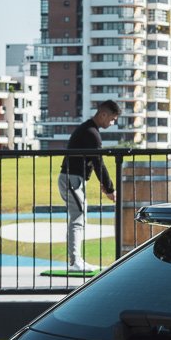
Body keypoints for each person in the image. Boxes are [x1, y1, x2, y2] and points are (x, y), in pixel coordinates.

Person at [58, 101, 119, 273]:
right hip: (71, 180)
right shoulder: (92, 133)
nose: (112, 123)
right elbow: (99, 162)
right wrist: (109, 189)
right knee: (78, 218)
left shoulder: (88, 130)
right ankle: (75, 263)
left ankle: (76, 261)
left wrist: (105, 185)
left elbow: (93, 160)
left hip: (73, 179)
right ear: (103, 115)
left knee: (78, 218)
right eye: (112, 119)